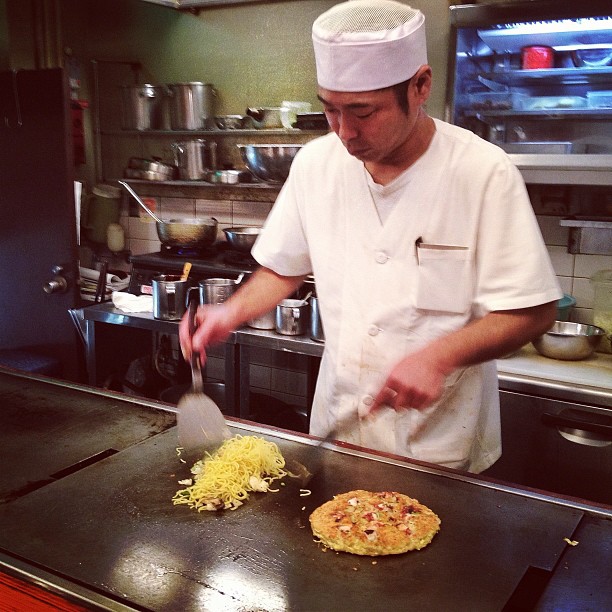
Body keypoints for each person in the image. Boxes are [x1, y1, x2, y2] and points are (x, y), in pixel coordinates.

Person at [180, 0, 561, 473]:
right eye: (331, 110)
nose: (344, 132)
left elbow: (532, 310)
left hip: (437, 442)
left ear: (420, 86)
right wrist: (231, 311)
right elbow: (283, 267)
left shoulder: (482, 172)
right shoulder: (316, 165)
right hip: (339, 430)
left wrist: (440, 357)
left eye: (363, 112)